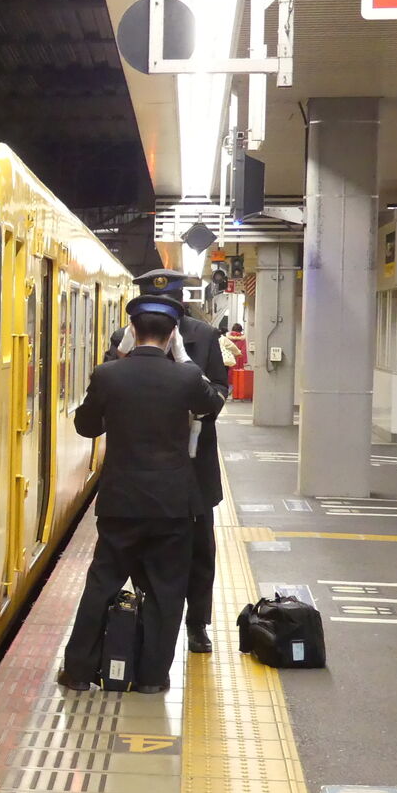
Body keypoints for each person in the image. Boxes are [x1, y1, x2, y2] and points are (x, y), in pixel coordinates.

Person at [60, 295, 226, 693]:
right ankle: (152, 678)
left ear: (132, 331)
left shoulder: (108, 374)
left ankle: (78, 672)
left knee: (102, 582)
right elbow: (212, 405)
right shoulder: (187, 377)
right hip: (173, 504)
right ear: (173, 335)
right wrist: (184, 361)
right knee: (167, 590)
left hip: (121, 501)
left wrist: (118, 362)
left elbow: (86, 427)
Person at [106, 269, 229, 654]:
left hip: (194, 463)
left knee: (200, 548)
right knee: (143, 545)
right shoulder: (124, 339)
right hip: (143, 464)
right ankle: (146, 613)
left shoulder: (204, 336)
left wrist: (198, 405)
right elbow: (107, 387)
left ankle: (197, 623)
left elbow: (220, 389)